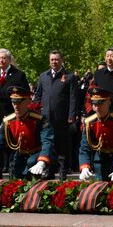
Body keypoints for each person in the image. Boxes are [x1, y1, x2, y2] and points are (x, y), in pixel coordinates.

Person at [0, 86, 54, 179]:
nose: (16, 105)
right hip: (18, 157)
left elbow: (47, 142)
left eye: (20, 102)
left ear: (29, 101)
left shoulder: (40, 120)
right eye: (13, 102)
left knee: (32, 173)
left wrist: (42, 161)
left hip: (36, 157)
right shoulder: (8, 121)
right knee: (14, 182)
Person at [0, 48, 29, 177]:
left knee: (12, 140)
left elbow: (25, 93)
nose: (1, 60)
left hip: (12, 112)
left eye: (4, 58)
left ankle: (12, 169)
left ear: (9, 59)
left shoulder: (19, 75)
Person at [34, 50, 77, 180]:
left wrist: (72, 115)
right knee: (48, 144)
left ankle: (63, 171)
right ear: (49, 60)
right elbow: (38, 95)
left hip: (62, 118)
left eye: (57, 59)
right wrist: (35, 111)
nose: (54, 62)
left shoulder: (69, 76)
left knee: (61, 145)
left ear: (61, 60)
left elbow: (73, 98)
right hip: (46, 118)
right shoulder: (43, 76)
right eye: (52, 59)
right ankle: (49, 170)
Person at [78, 86, 113, 183]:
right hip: (99, 161)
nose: (97, 107)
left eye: (101, 103)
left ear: (109, 102)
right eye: (94, 104)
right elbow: (84, 147)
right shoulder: (89, 123)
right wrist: (84, 166)